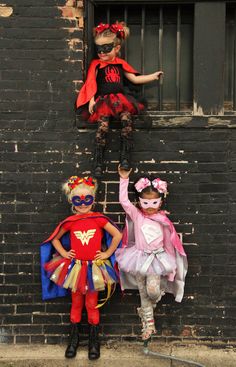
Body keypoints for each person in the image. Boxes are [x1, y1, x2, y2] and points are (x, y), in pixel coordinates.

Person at [40, 176, 122, 360]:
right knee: (76, 303)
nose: (83, 204)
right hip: (75, 268)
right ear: (72, 201)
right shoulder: (70, 221)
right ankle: (74, 339)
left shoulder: (99, 219)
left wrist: (107, 253)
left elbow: (117, 235)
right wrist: (63, 252)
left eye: (87, 199)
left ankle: (94, 341)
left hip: (94, 269)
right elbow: (54, 238)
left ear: (93, 200)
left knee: (91, 304)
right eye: (78, 200)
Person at [76, 22, 163, 178]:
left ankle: (125, 158)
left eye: (106, 49)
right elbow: (91, 83)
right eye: (99, 49)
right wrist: (91, 100)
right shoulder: (96, 65)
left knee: (127, 122)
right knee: (102, 128)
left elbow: (135, 79)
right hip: (103, 102)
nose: (102, 53)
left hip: (121, 101)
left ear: (116, 48)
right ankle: (98, 162)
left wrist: (152, 76)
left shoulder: (120, 64)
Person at [115, 166, 188, 341]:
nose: (149, 207)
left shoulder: (163, 220)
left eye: (153, 203)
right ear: (139, 201)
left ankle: (151, 303)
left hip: (158, 259)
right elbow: (124, 202)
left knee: (153, 292)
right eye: (145, 203)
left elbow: (170, 243)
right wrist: (124, 179)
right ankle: (148, 324)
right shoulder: (137, 215)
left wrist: (171, 266)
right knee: (143, 292)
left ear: (160, 202)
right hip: (139, 258)